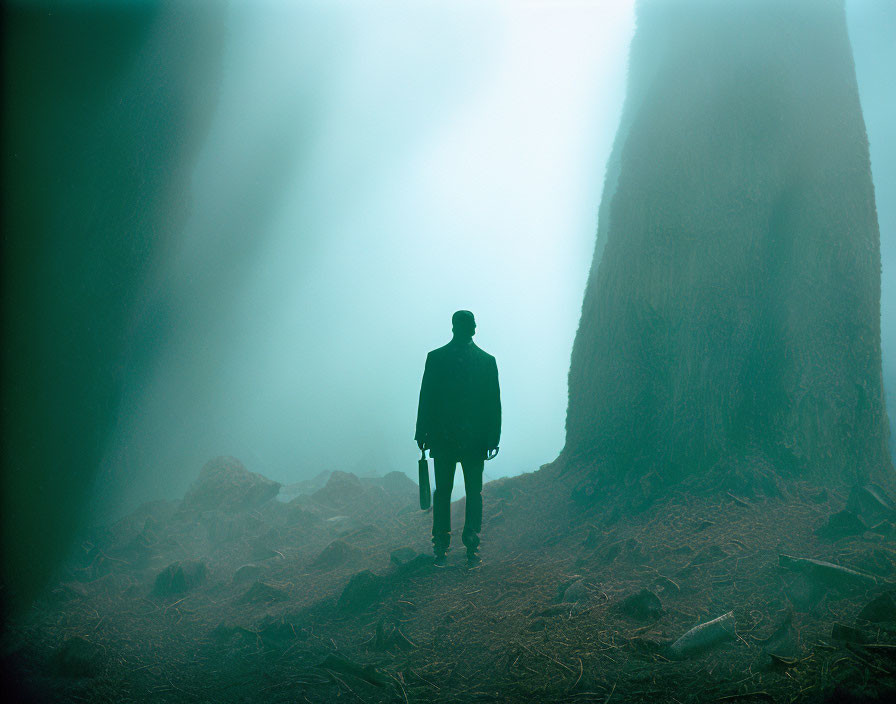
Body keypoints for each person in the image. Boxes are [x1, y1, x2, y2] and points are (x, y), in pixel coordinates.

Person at [415, 310, 501, 567]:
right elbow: (492, 405)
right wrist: (492, 438)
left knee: (443, 492)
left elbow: (426, 398)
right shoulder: (487, 361)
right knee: (474, 491)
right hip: (475, 441)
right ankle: (471, 544)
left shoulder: (436, 358)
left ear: (453, 327)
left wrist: (422, 433)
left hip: (442, 439)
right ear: (473, 328)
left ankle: (441, 545)